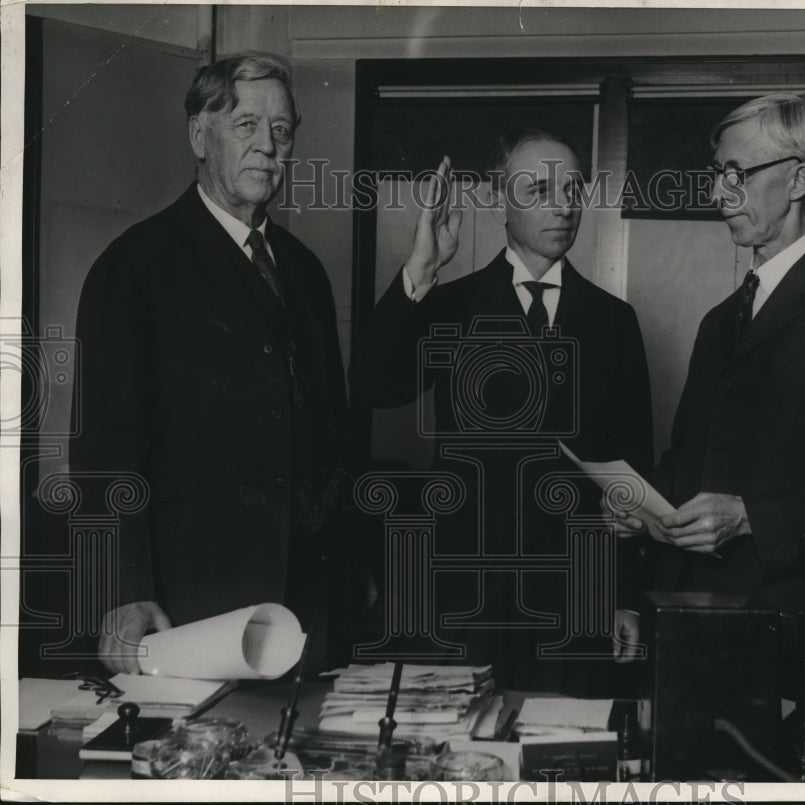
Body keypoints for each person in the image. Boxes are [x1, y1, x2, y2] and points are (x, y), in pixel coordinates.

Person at [613, 94, 805, 662]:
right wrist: (642, 503)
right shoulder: (719, 321)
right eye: (717, 174)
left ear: (798, 179)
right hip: (684, 613)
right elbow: (692, 457)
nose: (718, 194)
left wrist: (750, 518)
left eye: (738, 174)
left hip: (789, 625)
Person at [71, 52, 355, 674]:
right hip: (191, 603)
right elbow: (104, 455)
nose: (267, 146)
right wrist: (124, 591)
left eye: (281, 130)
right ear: (199, 136)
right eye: (246, 125)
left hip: (309, 606)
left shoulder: (305, 271)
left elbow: (333, 438)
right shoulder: (134, 267)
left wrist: (351, 575)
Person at [351, 130, 653, 693]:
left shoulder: (614, 321)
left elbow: (634, 473)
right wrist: (420, 268)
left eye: (573, 189)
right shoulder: (449, 305)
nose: (563, 206)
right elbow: (372, 385)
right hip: (464, 598)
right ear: (497, 203)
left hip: (576, 598)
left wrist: (627, 598)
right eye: (539, 190)